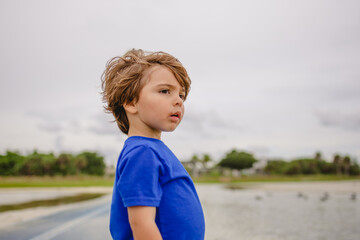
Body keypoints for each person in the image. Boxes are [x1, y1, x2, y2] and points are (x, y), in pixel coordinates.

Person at [101, 49, 205, 240]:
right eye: (165, 91)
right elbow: (141, 223)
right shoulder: (142, 152)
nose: (178, 101)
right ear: (131, 102)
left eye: (181, 95)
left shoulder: (153, 150)